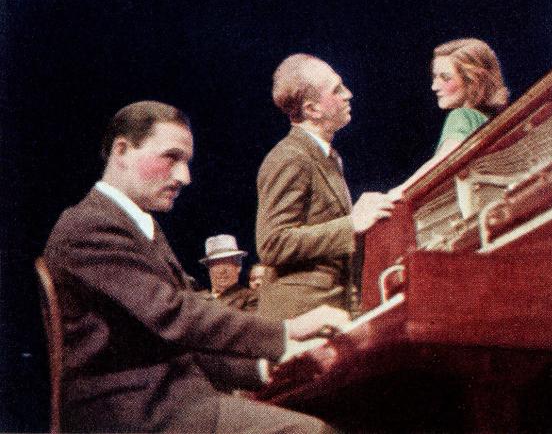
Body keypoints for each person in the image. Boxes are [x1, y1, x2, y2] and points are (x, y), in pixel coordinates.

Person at [43, 100, 348, 433]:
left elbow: (180, 343)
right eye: (171, 158)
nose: (184, 177)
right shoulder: (87, 226)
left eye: (186, 162)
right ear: (122, 151)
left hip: (170, 404)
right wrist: (286, 333)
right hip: (134, 415)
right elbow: (174, 315)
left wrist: (265, 368)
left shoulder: (138, 226)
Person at [256, 54, 395, 320]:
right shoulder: (289, 157)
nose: (348, 94)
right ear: (312, 110)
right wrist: (351, 224)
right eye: (337, 90)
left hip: (331, 308)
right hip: (301, 313)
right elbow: (272, 243)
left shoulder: (327, 156)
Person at [390, 38, 509, 197]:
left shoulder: (462, 116)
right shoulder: (490, 121)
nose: (434, 87)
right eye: (434, 77)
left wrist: (397, 193)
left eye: (445, 78)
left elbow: (443, 162)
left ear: (473, 81)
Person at [200, 234, 258, 312]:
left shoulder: (251, 298)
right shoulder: (199, 300)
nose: (222, 271)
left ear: (238, 266)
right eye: (216, 264)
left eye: (226, 263)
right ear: (209, 268)